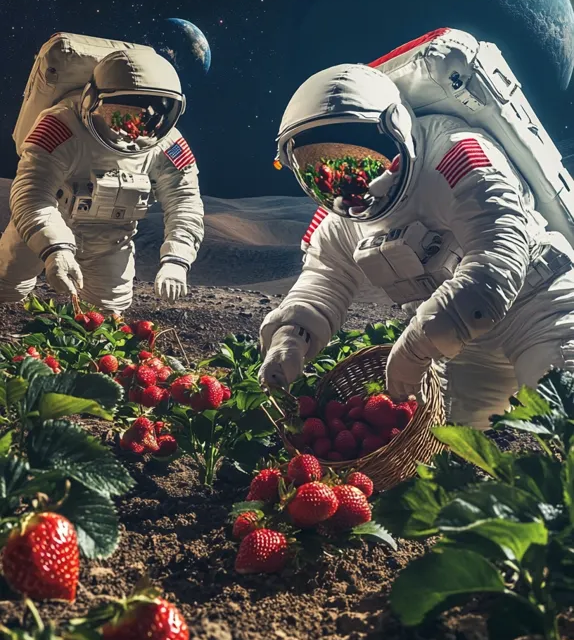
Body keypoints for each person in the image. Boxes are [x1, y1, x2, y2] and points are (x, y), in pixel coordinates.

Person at [258, 32, 574, 429]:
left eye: (365, 164)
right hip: (462, 345)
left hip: (539, 308)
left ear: (397, 126)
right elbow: (325, 276)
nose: (350, 189)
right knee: (451, 451)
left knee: (566, 429)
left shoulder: (457, 155)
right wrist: (291, 334)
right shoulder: (342, 214)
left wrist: (418, 343)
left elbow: (498, 256)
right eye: (323, 174)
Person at [0, 45, 204, 312]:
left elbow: (184, 201)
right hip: (45, 225)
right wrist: (54, 247)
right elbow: (32, 192)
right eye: (117, 114)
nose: (130, 130)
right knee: (7, 289)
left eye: (145, 117)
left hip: (110, 241)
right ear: (91, 99)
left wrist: (177, 258)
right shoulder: (60, 125)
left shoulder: (167, 143)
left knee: (107, 313)